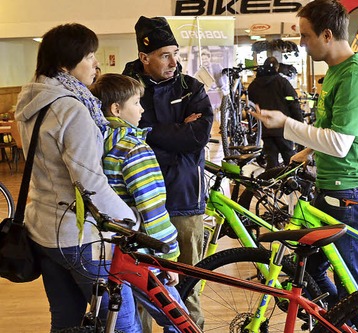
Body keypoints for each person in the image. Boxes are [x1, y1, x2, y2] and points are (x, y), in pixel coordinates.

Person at [250, 0, 358, 330]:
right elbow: (330, 125)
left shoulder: (354, 77)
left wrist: (286, 124)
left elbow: (339, 142)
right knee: (310, 269)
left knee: (355, 289)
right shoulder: (336, 71)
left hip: (350, 192)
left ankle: (351, 320)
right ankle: (338, 320)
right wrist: (304, 153)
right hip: (334, 188)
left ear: (326, 34)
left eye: (306, 36)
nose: (302, 44)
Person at [13, 23, 141, 332]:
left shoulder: (32, 101)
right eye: (89, 56)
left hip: (41, 229)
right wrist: (130, 221)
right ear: (64, 63)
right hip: (78, 236)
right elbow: (90, 184)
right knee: (123, 324)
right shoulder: (72, 109)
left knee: (65, 320)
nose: (96, 64)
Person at [123, 16, 214, 330]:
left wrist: (149, 133)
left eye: (176, 53)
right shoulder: (124, 90)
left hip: (185, 200)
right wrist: (176, 132)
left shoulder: (192, 87)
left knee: (186, 288)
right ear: (144, 57)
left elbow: (198, 136)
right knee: (140, 290)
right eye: (165, 55)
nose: (175, 61)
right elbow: (122, 134)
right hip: (136, 204)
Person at [90, 73, 189, 332]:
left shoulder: (96, 143)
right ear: (116, 109)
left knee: (126, 322)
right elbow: (152, 209)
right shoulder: (133, 148)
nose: (142, 108)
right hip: (140, 254)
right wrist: (169, 257)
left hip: (107, 251)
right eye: (136, 102)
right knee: (178, 319)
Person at [247, 57, 304, 169]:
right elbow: (293, 103)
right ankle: (291, 184)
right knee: (290, 160)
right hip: (283, 128)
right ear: (277, 68)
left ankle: (272, 185)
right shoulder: (282, 82)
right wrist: (299, 122)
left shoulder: (253, 85)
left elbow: (251, 107)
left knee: (271, 162)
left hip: (265, 129)